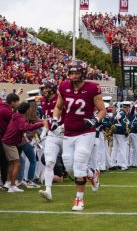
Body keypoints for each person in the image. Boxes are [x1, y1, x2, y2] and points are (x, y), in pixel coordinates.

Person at [52, 59, 106, 211]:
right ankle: (92, 174)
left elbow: (102, 110)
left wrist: (94, 120)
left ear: (83, 74)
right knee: (70, 167)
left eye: (76, 73)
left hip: (85, 131)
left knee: (80, 162)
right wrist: (55, 120)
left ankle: (79, 199)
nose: (73, 76)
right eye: (71, 72)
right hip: (69, 131)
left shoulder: (92, 88)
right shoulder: (63, 86)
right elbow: (58, 107)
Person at [2, 101, 46, 192]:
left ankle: (8, 182)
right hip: (10, 142)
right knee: (17, 163)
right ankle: (12, 186)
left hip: (8, 141)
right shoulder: (20, 118)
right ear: (26, 110)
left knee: (12, 163)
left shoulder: (16, 115)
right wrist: (42, 124)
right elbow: (26, 127)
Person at [38, 78, 64, 201]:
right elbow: (46, 118)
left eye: (46, 87)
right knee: (49, 162)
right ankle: (48, 191)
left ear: (53, 88)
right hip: (53, 135)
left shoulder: (60, 99)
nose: (44, 90)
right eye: (43, 88)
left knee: (72, 164)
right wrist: (44, 131)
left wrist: (63, 126)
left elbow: (70, 116)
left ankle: (92, 174)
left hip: (65, 134)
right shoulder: (43, 101)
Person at [0, 93, 20, 188]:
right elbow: (17, 121)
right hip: (2, 138)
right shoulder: (7, 111)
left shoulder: (3, 108)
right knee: (7, 162)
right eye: (17, 102)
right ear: (12, 102)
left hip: (2, 138)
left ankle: (6, 182)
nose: (18, 104)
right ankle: (7, 183)